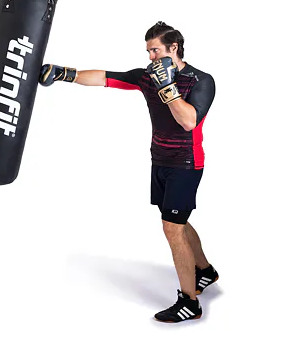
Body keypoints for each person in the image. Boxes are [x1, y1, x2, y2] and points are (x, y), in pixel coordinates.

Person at [38, 21, 218, 323]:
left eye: (155, 50)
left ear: (174, 48)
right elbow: (105, 78)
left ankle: (190, 302)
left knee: (172, 227)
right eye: (148, 51)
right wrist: (64, 74)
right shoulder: (147, 77)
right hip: (159, 160)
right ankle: (205, 271)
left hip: (186, 163)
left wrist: (168, 89)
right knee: (178, 221)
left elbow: (189, 121)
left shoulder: (201, 80)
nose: (150, 57)